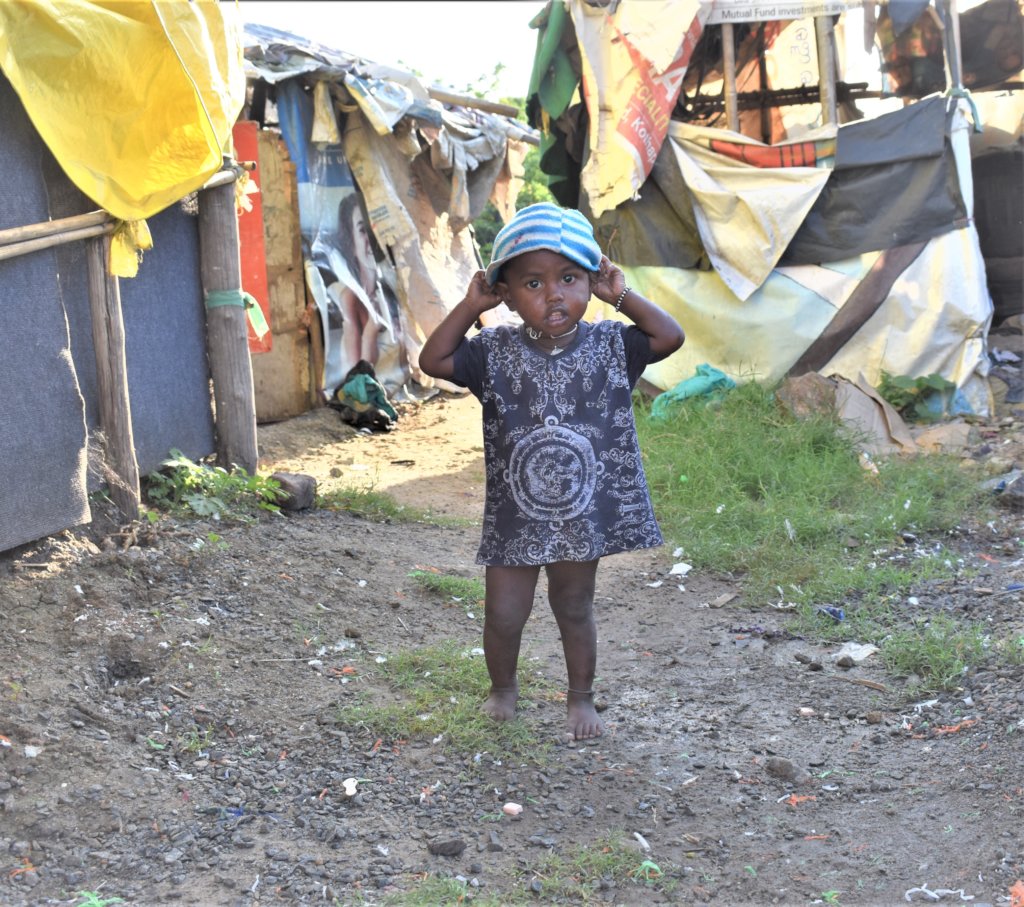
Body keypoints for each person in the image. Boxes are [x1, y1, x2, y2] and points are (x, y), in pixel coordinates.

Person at [419, 202, 685, 740]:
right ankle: (503, 688)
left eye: (568, 278)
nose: (554, 294)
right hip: (515, 517)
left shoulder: (612, 345)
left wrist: (623, 296)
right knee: (503, 614)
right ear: (508, 296)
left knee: (573, 606)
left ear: (591, 281)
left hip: (580, 517)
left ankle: (581, 698)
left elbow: (669, 338)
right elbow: (434, 361)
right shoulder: (492, 352)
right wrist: (471, 308)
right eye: (533, 284)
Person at [324, 192, 390, 368]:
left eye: (374, 228)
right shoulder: (350, 300)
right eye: (362, 230)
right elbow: (355, 376)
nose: (371, 237)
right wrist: (370, 331)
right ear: (351, 243)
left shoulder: (396, 286)